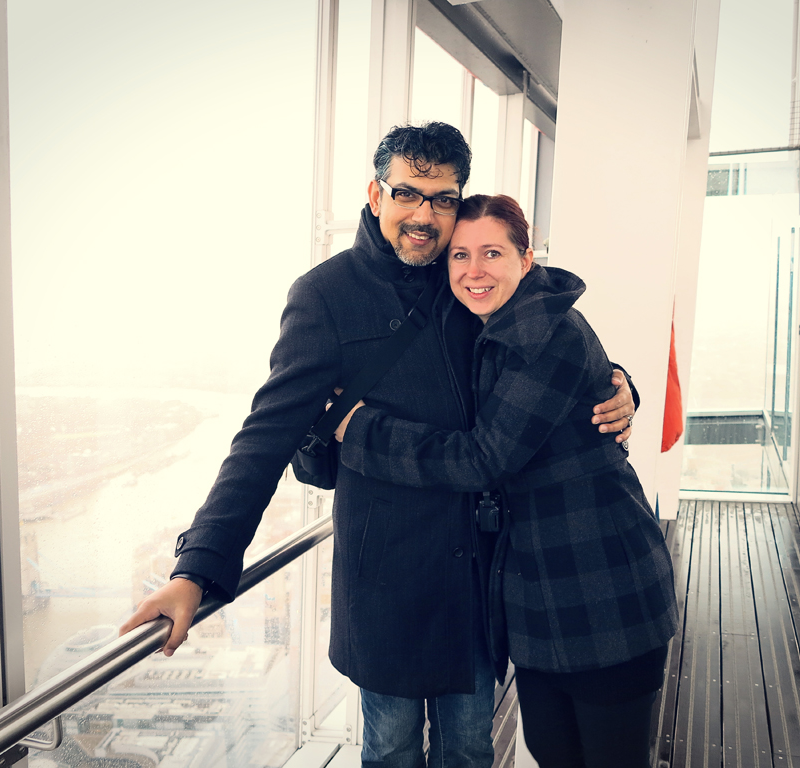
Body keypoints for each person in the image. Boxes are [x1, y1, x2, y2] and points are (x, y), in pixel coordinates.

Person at [119, 123, 636, 768]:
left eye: (442, 199)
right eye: (407, 193)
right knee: (390, 747)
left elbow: (542, 347)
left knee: (469, 747)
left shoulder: (465, 277)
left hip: (476, 568)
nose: (424, 215)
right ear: (375, 195)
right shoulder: (325, 296)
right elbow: (265, 436)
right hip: (386, 572)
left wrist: (619, 385)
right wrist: (196, 569)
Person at [334, 195, 677, 768]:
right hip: (538, 598)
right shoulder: (493, 325)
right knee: (552, 750)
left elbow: (481, 459)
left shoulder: (545, 334)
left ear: (526, 257)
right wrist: (620, 383)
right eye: (460, 255)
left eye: (492, 253)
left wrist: (359, 429)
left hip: (603, 588)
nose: (475, 270)